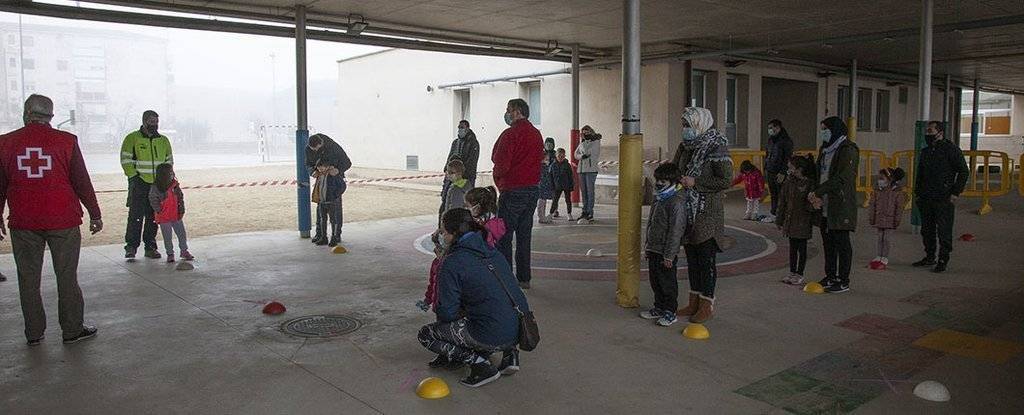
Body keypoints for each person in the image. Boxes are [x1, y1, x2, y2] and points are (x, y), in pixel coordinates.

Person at [0, 94, 103, 346]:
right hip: (63, 221)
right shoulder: (66, 141)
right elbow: (81, 181)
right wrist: (94, 212)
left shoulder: (5, 143)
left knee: (28, 279)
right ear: (52, 116)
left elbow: (1, 184)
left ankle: (34, 333)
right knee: (67, 277)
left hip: (23, 222)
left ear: (26, 113)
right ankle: (72, 330)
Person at [417, 208, 531, 388]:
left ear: (454, 233)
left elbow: (446, 312)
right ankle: (510, 355)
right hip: (520, 330)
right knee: (494, 305)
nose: (442, 236)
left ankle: (480, 365)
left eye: (444, 232)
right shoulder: (491, 250)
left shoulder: (452, 262)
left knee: (427, 334)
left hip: (492, 334)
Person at [671, 107, 732, 323]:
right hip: (687, 210)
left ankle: (707, 304)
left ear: (700, 124)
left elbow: (725, 180)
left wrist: (696, 182)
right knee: (693, 259)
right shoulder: (685, 146)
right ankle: (693, 302)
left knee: (706, 260)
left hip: (707, 212)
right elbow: (676, 169)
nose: (685, 129)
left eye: (688, 125)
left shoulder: (716, 146)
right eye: (684, 125)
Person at [492, 98, 544, 289]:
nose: (506, 113)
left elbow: (500, 162)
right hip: (532, 190)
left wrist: (497, 178)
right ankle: (524, 278)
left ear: (517, 111)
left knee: (503, 236)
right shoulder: (537, 134)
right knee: (524, 236)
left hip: (513, 190)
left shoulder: (510, 134)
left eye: (509, 110)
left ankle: (506, 279)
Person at [807, 116, 859, 293]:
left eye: (825, 129)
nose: (823, 132)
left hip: (840, 203)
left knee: (842, 242)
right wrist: (816, 194)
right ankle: (830, 275)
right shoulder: (825, 149)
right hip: (825, 203)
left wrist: (819, 192)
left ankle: (843, 280)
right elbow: (819, 172)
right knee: (828, 243)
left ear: (835, 130)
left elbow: (842, 177)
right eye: (821, 129)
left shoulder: (848, 149)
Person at [913, 121, 969, 273]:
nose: (927, 134)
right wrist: (918, 193)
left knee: (944, 230)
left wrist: (955, 192)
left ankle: (943, 259)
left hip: (944, 197)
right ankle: (930, 256)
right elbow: (920, 174)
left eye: (930, 131)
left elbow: (963, 171)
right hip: (926, 197)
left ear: (940, 133)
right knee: (927, 230)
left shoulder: (951, 150)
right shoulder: (925, 152)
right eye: (927, 131)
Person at [639, 163, 687, 327]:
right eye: (657, 180)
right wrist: (647, 245)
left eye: (663, 181)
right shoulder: (659, 198)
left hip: (666, 251)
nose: (659, 183)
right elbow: (651, 223)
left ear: (673, 182)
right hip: (654, 247)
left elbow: (676, 231)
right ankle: (659, 307)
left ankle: (670, 312)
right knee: (655, 280)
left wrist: (669, 255)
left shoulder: (676, 202)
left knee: (667, 283)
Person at [120, 110, 172, 260]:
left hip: (158, 185)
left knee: (154, 216)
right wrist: (134, 176)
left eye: (156, 121)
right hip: (139, 183)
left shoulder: (163, 140)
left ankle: (150, 247)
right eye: (151, 121)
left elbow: (169, 160)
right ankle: (131, 247)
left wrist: (166, 179)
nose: (154, 124)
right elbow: (125, 159)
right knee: (135, 216)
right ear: (144, 121)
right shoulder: (132, 138)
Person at [776, 155, 817, 285]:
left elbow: (812, 205)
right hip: (790, 220)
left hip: (803, 221)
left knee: (802, 248)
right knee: (792, 248)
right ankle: (792, 272)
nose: (789, 170)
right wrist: (779, 219)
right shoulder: (788, 182)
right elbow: (782, 201)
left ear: (799, 169)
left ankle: (800, 273)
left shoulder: (809, 183)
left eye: (791, 168)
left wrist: (812, 204)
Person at [307, 134, 351, 247]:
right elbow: (308, 164)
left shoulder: (334, 147)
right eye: (313, 150)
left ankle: (336, 236)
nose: (315, 151)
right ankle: (321, 235)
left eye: (317, 149)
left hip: (333, 187)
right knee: (321, 214)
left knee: (335, 215)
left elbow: (347, 162)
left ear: (321, 143)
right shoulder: (308, 148)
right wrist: (313, 171)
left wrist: (338, 170)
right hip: (322, 193)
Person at [148, 163, 193, 263]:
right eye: (169, 172)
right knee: (167, 237)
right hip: (164, 217)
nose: (172, 174)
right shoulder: (156, 187)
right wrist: (159, 210)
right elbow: (152, 199)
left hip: (176, 215)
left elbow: (180, 198)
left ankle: (184, 251)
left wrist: (181, 210)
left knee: (181, 234)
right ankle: (170, 253)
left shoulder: (175, 185)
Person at [439, 120, 481, 221]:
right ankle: (443, 226)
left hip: (464, 179)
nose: (460, 129)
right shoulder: (455, 143)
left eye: (462, 127)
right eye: (459, 127)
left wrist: (460, 175)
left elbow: (471, 163)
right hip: (453, 179)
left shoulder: (473, 143)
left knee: (460, 206)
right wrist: (447, 170)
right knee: (445, 202)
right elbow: (450, 157)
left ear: (467, 128)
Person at [868, 167, 908, 271]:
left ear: (889, 179)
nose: (880, 180)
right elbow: (872, 204)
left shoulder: (897, 192)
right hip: (879, 218)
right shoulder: (877, 191)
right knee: (880, 238)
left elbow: (899, 208)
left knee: (886, 239)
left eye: (882, 178)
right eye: (879, 178)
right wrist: (872, 217)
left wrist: (897, 220)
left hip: (890, 219)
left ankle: (884, 257)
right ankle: (878, 255)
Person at [764, 119, 793, 220]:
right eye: (769, 128)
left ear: (778, 128)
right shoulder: (771, 140)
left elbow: (787, 158)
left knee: (781, 194)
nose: (770, 130)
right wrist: (766, 168)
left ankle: (782, 215)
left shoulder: (786, 141)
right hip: (770, 171)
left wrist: (783, 172)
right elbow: (767, 154)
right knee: (773, 194)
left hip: (780, 172)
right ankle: (773, 213)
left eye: (772, 128)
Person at [574, 125, 602, 223]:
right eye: (583, 132)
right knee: (584, 192)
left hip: (591, 170)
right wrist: (581, 156)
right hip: (581, 170)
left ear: (591, 131)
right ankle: (584, 211)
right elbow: (576, 154)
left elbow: (588, 152)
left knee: (590, 192)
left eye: (587, 132)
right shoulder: (583, 142)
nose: (585, 134)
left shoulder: (596, 141)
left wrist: (584, 142)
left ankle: (590, 212)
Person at [439, 159, 469, 225]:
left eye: (451, 172)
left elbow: (453, 209)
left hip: (454, 222)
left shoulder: (455, 189)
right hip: (463, 220)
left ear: (459, 173)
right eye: (447, 172)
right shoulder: (467, 184)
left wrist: (445, 222)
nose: (448, 175)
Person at [549, 148, 575, 220]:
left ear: (564, 156)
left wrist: (571, 186)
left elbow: (570, 176)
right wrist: (552, 186)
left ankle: (569, 213)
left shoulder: (567, 165)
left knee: (568, 200)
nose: (560, 158)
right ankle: (551, 213)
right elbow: (550, 177)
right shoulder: (552, 166)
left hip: (566, 185)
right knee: (555, 200)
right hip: (557, 186)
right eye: (559, 156)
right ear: (556, 156)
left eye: (562, 156)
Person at [536, 137, 556, 224]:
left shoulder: (555, 154)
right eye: (547, 144)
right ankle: (541, 216)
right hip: (542, 179)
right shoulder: (540, 154)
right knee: (542, 198)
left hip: (553, 179)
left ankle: (554, 211)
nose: (548, 146)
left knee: (554, 196)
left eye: (550, 144)